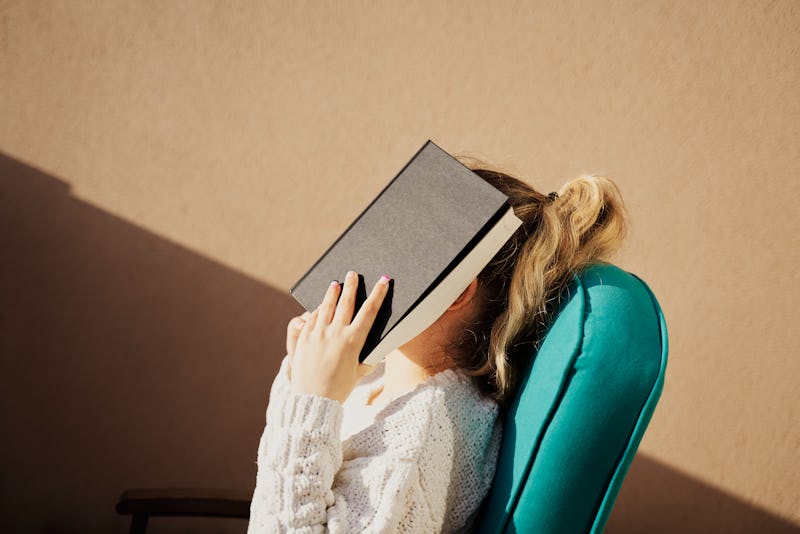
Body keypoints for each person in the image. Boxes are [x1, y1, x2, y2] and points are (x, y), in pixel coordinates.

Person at [247, 163, 628, 533]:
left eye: (396, 248)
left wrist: (311, 398)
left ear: (456, 292)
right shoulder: (375, 375)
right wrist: (302, 379)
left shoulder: (423, 437)